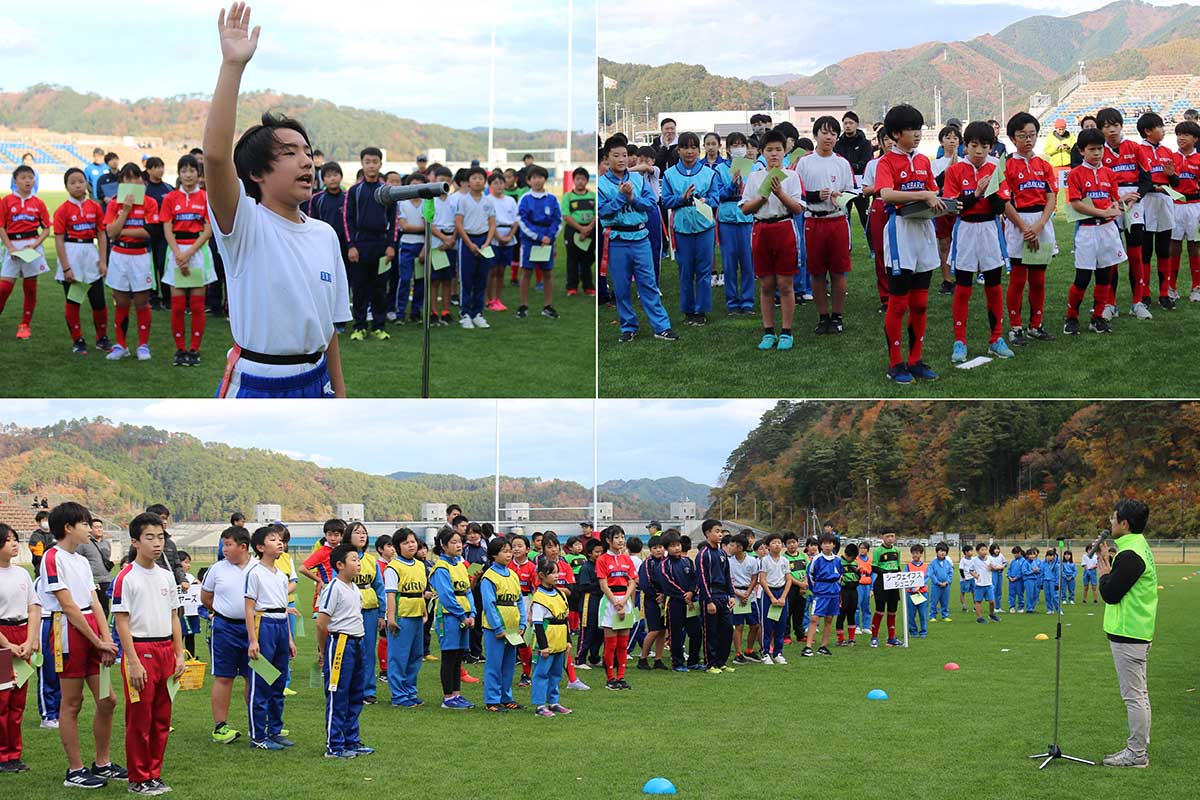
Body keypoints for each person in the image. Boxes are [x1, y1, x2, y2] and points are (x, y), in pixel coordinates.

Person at [204, 3, 350, 397]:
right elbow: (216, 157)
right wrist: (232, 66)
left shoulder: (325, 235)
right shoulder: (245, 224)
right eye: (289, 153)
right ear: (256, 173)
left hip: (316, 379)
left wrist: (340, 393)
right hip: (258, 382)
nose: (306, 161)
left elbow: (329, 329)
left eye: (307, 151)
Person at [39, 502, 124, 789]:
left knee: (107, 699)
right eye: (86, 524)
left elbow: (94, 603)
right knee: (72, 703)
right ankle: (74, 771)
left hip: (91, 633)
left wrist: (106, 639)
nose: (91, 529)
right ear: (68, 527)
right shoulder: (52, 558)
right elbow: (69, 606)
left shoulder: (81, 561)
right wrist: (97, 639)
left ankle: (102, 763)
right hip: (68, 632)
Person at [112, 512, 185, 796]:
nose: (157, 543)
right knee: (139, 720)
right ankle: (138, 778)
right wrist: (131, 661)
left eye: (161, 537)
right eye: (149, 537)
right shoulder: (126, 577)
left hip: (166, 649)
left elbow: (174, 617)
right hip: (140, 652)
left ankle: (154, 774)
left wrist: (179, 655)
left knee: (161, 719)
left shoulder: (167, 576)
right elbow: (121, 622)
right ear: (135, 542)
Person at [876, 105, 943, 383]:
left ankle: (915, 360)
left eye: (920, 128)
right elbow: (886, 193)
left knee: (921, 302)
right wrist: (925, 194)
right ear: (895, 133)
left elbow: (934, 193)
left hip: (924, 231)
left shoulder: (924, 161)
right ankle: (895, 364)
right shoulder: (887, 162)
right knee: (899, 303)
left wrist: (939, 201)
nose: (917, 134)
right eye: (912, 129)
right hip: (900, 232)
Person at [943, 121, 1015, 362]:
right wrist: (976, 193)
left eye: (984, 146)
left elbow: (1001, 205)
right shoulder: (954, 170)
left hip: (990, 229)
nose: (979, 151)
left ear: (991, 147)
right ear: (965, 146)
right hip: (965, 230)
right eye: (974, 145)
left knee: (993, 285)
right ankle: (959, 341)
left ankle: (996, 338)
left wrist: (990, 192)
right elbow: (955, 207)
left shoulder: (997, 168)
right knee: (963, 287)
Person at [1097, 498, 1157, 768]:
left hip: (1130, 633)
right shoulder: (1135, 547)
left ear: (1124, 523)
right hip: (1136, 630)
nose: (1110, 522)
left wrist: (1104, 574)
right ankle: (1138, 749)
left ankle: (1136, 753)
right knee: (1139, 694)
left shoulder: (1131, 554)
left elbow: (1111, 593)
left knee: (1134, 696)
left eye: (1113, 518)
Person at [598, 137, 677, 342]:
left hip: (641, 238)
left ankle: (662, 327)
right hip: (617, 240)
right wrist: (621, 198)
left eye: (624, 155)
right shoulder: (601, 184)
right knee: (622, 287)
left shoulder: (638, 179)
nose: (622, 159)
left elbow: (651, 203)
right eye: (616, 156)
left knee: (648, 284)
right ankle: (628, 327)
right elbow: (603, 212)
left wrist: (633, 198)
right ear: (607, 158)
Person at [739, 129, 806, 351]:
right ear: (761, 152)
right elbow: (746, 209)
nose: (774, 154)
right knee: (766, 284)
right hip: (761, 230)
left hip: (784, 228)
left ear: (785, 151)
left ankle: (786, 331)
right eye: (769, 150)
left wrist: (780, 194)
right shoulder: (755, 177)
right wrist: (762, 197)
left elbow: (797, 208)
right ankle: (768, 331)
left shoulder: (792, 176)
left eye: (778, 149)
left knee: (785, 284)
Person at [796, 116, 856, 334]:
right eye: (824, 132)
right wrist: (814, 196)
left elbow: (853, 191)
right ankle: (822, 316)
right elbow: (798, 193)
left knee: (839, 272)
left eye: (833, 133)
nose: (828, 137)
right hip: (814, 221)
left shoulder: (841, 162)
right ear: (815, 135)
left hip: (837, 220)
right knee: (817, 272)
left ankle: (837, 316)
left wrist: (841, 196)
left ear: (837, 137)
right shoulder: (805, 162)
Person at [1004, 112, 1059, 347]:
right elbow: (1004, 201)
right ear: (1012, 138)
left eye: (1032, 135)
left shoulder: (1044, 165)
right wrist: (1025, 227)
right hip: (1018, 224)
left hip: (1041, 224)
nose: (1028, 140)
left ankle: (1036, 325)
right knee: (1018, 279)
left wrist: (1038, 226)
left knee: (1038, 279)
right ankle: (1015, 327)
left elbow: (1051, 197)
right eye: (1022, 135)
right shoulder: (1006, 165)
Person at [316, 543, 371, 759]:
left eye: (358, 560)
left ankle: (351, 740)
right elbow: (321, 623)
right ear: (340, 564)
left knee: (356, 694)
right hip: (340, 644)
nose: (358, 564)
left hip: (358, 643)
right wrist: (323, 651)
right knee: (338, 695)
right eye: (353, 560)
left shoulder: (355, 589)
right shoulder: (333, 588)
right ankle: (335, 746)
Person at [243, 526, 295, 750]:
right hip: (263, 625)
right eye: (273, 540)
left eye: (280, 539)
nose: (279, 543)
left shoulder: (281, 576)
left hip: (281, 625)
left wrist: (290, 639)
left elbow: (284, 607)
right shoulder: (254, 573)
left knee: (279, 681)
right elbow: (248, 608)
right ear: (261, 547)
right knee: (262, 681)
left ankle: (275, 730)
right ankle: (258, 735)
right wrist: (253, 640)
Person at [159, 154, 214, 367]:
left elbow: (208, 230)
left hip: (198, 252)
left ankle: (195, 349)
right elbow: (167, 227)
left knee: (198, 306)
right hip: (176, 253)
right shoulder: (171, 198)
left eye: (192, 171)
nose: (188, 175)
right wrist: (178, 254)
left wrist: (189, 253)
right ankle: (180, 349)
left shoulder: (206, 198)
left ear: (198, 174)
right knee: (178, 306)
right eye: (184, 171)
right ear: (179, 174)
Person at [662, 132, 721, 325]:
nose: (690, 151)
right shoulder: (669, 175)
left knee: (704, 271)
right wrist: (682, 198)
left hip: (705, 228)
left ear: (698, 150)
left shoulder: (709, 173)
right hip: (682, 229)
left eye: (694, 147)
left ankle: (701, 311)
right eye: (685, 147)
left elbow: (715, 197)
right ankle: (688, 310)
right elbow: (665, 200)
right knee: (685, 270)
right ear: (678, 150)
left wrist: (705, 200)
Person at [200, 526, 252, 745]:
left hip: (254, 630)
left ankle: (257, 723)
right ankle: (220, 726)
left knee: (255, 676)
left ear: (243, 546)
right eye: (223, 544)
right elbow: (206, 598)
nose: (224, 549)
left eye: (228, 544)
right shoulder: (217, 569)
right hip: (224, 629)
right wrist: (223, 612)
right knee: (224, 676)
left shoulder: (258, 568)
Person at [101, 162, 158, 361]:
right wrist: (125, 211)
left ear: (142, 180)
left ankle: (143, 345)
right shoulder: (114, 203)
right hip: (119, 256)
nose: (132, 182)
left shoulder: (150, 203)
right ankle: (121, 345)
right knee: (121, 301)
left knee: (142, 302)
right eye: (127, 178)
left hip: (140, 256)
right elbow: (109, 232)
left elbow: (149, 233)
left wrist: (120, 231)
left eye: (136, 178)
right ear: (121, 181)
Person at [53, 168, 111, 355]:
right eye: (73, 182)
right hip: (72, 255)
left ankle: (102, 338)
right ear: (66, 187)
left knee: (99, 301)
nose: (78, 185)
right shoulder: (62, 210)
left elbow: (102, 235)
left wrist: (103, 260)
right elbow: (59, 240)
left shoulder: (95, 207)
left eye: (81, 181)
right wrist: (66, 267)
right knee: (74, 301)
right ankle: (77, 340)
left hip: (90, 255)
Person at [1098, 107, 1148, 320]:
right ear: (1101, 130)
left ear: (1121, 126)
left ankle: (1137, 302)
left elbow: (1146, 178)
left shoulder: (1135, 148)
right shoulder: (1099, 151)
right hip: (1111, 204)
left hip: (1134, 202)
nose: (1112, 130)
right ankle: (1111, 304)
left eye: (1115, 125)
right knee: (1112, 254)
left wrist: (1137, 196)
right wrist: (1116, 201)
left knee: (1135, 254)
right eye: (1107, 127)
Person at [0, 523, 40, 774]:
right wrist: (8, 645)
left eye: (15, 539)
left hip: (22, 635)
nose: (14, 543)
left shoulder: (23, 574)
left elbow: (33, 608)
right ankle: (3, 755)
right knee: (2, 701)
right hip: (3, 639)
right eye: (8, 540)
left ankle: (14, 754)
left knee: (18, 701)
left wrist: (30, 639)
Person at [0, 164, 51, 340]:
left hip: (31, 246)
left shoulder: (39, 203)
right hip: (12, 245)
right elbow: (1, 227)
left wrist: (35, 245)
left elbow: (46, 230)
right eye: (24, 178)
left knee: (30, 288)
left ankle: (24, 325)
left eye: (30, 177)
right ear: (15, 181)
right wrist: (10, 247)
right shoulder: (6, 201)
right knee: (4, 287)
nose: (28, 181)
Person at [1135, 113, 1179, 311]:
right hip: (1146, 201)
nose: (1163, 130)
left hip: (1165, 202)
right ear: (1147, 131)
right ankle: (1144, 294)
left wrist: (1171, 176)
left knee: (1163, 248)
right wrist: (1153, 188)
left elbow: (1176, 183)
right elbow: (1138, 179)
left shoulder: (1168, 151)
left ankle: (1164, 293)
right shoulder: (1138, 150)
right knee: (1145, 250)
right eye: (1159, 126)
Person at [429, 528, 475, 709]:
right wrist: (462, 615)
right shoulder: (441, 567)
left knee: (458, 656)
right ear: (443, 545)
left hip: (463, 615)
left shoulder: (460, 565)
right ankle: (448, 697)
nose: (458, 545)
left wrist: (472, 613)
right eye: (454, 542)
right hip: (448, 616)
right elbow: (447, 596)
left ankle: (457, 694)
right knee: (449, 655)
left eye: (459, 542)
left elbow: (468, 590)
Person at [478, 538, 525, 712]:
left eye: (509, 550)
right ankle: (492, 700)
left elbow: (519, 600)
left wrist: (521, 623)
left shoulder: (512, 574)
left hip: (513, 628)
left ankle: (506, 697)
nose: (508, 554)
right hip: (495, 629)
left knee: (508, 664)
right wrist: (498, 627)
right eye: (504, 551)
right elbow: (489, 605)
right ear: (493, 554)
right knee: (494, 664)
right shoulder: (489, 577)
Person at [384, 529, 427, 707]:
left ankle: (410, 692)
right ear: (397, 547)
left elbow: (421, 592)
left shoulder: (419, 565)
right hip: (402, 617)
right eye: (406, 543)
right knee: (399, 657)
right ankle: (399, 696)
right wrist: (391, 618)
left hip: (417, 616)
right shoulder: (393, 567)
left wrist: (424, 613)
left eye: (413, 541)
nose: (411, 545)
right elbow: (391, 594)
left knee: (415, 656)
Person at [516, 165, 562, 319]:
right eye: (533, 177)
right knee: (527, 273)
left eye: (540, 177)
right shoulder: (525, 199)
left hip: (547, 241)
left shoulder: (552, 199)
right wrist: (538, 237)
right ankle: (523, 306)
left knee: (547, 273)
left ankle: (548, 306)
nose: (537, 180)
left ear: (545, 179)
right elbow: (522, 221)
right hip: (530, 242)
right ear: (529, 181)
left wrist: (549, 237)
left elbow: (558, 220)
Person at [454, 166, 497, 329]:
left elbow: (492, 224)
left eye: (480, 178)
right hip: (467, 241)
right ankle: (465, 313)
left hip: (484, 241)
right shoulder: (463, 200)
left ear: (485, 182)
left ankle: (477, 313)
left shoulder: (488, 201)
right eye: (474, 178)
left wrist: (487, 242)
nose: (477, 181)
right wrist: (469, 243)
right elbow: (459, 223)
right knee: (466, 279)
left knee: (481, 278)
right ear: (468, 182)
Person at [344, 523, 382, 705]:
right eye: (357, 532)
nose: (362, 536)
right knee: (349, 650)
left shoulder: (371, 560)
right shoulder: (341, 558)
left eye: (364, 533)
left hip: (370, 609)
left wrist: (382, 613)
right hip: (348, 611)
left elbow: (379, 587)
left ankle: (368, 690)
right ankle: (349, 688)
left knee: (368, 651)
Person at [529, 559, 573, 717]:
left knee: (556, 673)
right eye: (552, 573)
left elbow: (564, 618)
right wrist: (543, 646)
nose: (556, 576)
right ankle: (540, 705)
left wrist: (568, 640)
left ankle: (553, 702)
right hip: (547, 638)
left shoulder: (560, 593)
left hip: (560, 637)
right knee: (542, 673)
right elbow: (538, 624)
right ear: (542, 575)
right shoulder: (539, 597)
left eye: (557, 572)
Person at [595, 526, 636, 690]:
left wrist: (625, 600)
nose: (620, 540)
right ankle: (610, 678)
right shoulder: (602, 559)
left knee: (623, 643)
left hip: (624, 601)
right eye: (617, 537)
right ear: (608, 540)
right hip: (609, 603)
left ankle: (621, 677)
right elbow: (603, 584)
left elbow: (632, 580)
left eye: (622, 537)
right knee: (611, 643)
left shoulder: (627, 560)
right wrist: (615, 602)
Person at [656, 529, 703, 672]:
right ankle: (678, 663)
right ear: (666, 548)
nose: (676, 548)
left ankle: (694, 661)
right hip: (675, 603)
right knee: (676, 633)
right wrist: (684, 595)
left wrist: (691, 592)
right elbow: (667, 584)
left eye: (678, 545)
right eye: (672, 546)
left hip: (691, 603)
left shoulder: (687, 561)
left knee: (696, 632)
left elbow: (695, 578)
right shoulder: (664, 565)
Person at [695, 520, 734, 673]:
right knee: (711, 631)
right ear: (707, 533)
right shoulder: (703, 554)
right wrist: (708, 600)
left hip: (723, 596)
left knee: (727, 629)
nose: (720, 534)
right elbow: (702, 579)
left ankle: (721, 661)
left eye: (721, 531)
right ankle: (710, 663)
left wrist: (731, 595)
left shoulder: (722, 553)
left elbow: (727, 575)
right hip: (710, 596)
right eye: (717, 531)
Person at [1168, 120, 1200, 303]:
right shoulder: (1171, 158)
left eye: (1186, 134)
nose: (1181, 138)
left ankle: (1196, 286)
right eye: (1179, 134)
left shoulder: (1199, 159)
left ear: (1195, 139)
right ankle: (1172, 286)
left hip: (1195, 206)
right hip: (1175, 206)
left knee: (1195, 245)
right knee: (1174, 245)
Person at [931, 125, 962, 294]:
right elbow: (935, 186)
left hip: (960, 207)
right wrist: (949, 167)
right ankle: (947, 279)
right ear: (942, 142)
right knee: (944, 242)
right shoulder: (935, 164)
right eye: (948, 137)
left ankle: (961, 276)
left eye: (955, 138)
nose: (952, 141)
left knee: (961, 242)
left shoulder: (966, 162)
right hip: (943, 207)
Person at [835, 111, 873, 240]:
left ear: (856, 124)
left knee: (865, 216)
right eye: (845, 123)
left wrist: (850, 166)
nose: (848, 126)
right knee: (845, 216)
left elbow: (866, 162)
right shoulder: (838, 143)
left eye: (850, 123)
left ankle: (873, 247)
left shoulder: (865, 143)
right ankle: (846, 245)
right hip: (842, 184)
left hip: (860, 184)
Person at [802, 532, 841, 656]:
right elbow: (811, 575)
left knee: (829, 619)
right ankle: (808, 646)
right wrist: (816, 589)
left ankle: (823, 646)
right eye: (825, 543)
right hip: (820, 592)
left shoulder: (837, 560)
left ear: (833, 545)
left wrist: (836, 587)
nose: (827, 546)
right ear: (821, 545)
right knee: (814, 618)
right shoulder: (817, 559)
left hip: (834, 592)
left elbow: (840, 575)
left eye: (830, 543)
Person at [635, 535, 668, 671]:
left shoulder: (666, 562)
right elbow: (645, 583)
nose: (658, 550)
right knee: (653, 630)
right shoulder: (647, 564)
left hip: (665, 600)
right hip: (652, 601)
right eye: (655, 548)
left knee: (662, 631)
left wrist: (665, 594)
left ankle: (658, 659)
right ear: (650, 550)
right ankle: (643, 658)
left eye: (660, 547)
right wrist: (657, 595)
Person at [562, 167, 596, 297]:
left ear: (587, 180)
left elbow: (596, 214)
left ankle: (588, 286)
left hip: (590, 230)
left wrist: (588, 228)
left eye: (583, 179)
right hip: (573, 230)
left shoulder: (592, 196)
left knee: (588, 259)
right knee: (572, 260)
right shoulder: (568, 196)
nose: (580, 182)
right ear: (573, 180)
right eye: (578, 179)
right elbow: (566, 215)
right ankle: (571, 287)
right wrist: (581, 229)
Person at [574, 537, 605, 669]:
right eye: (596, 552)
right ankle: (580, 659)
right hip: (589, 601)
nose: (599, 555)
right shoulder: (586, 567)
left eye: (601, 552)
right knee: (587, 630)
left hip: (600, 601)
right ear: (589, 553)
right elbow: (584, 586)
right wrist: (601, 585)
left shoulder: (601, 566)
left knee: (599, 631)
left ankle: (594, 658)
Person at [868, 527, 902, 647]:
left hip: (894, 584)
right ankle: (874, 637)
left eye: (892, 536)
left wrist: (900, 577)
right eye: (887, 536)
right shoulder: (878, 551)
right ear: (882, 537)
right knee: (879, 611)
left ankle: (891, 638)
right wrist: (886, 574)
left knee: (892, 612)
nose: (890, 538)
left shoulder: (897, 550)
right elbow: (874, 567)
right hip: (882, 583)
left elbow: (898, 567)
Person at [76, 518, 113, 617]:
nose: (99, 529)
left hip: (105, 579)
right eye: (96, 527)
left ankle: (103, 629)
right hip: (92, 581)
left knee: (105, 607)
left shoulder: (107, 543)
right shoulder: (84, 544)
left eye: (100, 527)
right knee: (93, 607)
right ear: (90, 529)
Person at [834, 541, 859, 647]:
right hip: (843, 591)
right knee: (841, 614)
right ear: (847, 555)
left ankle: (852, 639)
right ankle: (840, 640)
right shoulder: (838, 562)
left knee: (852, 613)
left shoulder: (855, 563)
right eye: (852, 558)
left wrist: (858, 576)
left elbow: (858, 576)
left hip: (854, 590)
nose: (853, 560)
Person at [969, 542, 1000, 623]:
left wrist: (992, 567)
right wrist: (975, 576)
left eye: (985, 549)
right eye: (982, 550)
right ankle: (979, 618)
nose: (984, 551)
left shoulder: (990, 559)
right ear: (978, 551)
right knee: (978, 601)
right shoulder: (974, 560)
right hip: (979, 585)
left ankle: (992, 615)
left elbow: (995, 568)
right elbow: (971, 570)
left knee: (992, 601)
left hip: (989, 584)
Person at [179, 551, 202, 656]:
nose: (189, 565)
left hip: (191, 612)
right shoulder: (173, 577)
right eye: (186, 562)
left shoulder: (190, 576)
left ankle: (191, 657)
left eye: (189, 563)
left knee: (191, 635)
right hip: (180, 613)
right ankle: (176, 657)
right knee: (179, 635)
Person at [904, 544, 929, 638]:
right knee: (911, 614)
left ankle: (923, 632)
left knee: (923, 614)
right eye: (913, 553)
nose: (915, 555)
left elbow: (927, 577)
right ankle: (913, 632)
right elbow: (906, 578)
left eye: (917, 553)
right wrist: (912, 588)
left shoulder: (926, 566)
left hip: (923, 593)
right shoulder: (908, 566)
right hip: (911, 593)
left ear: (921, 554)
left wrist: (919, 586)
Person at [1043, 118, 1075, 188]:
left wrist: (1068, 148)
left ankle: (1068, 199)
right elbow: (1046, 151)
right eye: (1059, 129)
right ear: (1056, 128)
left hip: (1067, 166)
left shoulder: (1071, 136)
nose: (1061, 131)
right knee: (1055, 188)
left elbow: (1075, 150)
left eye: (1063, 129)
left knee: (1068, 188)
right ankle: (1054, 199)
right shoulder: (1050, 137)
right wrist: (1055, 149)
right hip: (1055, 167)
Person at [926, 542, 953, 621]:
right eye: (941, 551)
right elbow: (931, 574)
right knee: (934, 601)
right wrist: (938, 582)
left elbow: (950, 573)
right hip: (936, 586)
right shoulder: (932, 563)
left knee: (945, 601)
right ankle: (932, 616)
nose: (943, 553)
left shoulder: (948, 563)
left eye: (944, 551)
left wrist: (947, 582)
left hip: (946, 586)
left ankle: (945, 615)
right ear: (937, 552)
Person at [855, 540, 873, 632]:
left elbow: (873, 574)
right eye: (861, 548)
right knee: (857, 605)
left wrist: (872, 588)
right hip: (859, 584)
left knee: (866, 606)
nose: (862, 550)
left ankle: (866, 626)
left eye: (864, 548)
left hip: (867, 584)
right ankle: (856, 626)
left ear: (868, 550)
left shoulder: (870, 560)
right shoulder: (856, 559)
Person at [1041, 547, 1061, 615]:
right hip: (1045, 581)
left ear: (1054, 556)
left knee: (1054, 596)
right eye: (1048, 556)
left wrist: (1057, 584)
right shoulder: (1044, 564)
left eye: (1051, 556)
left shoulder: (1056, 565)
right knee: (1047, 596)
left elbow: (1057, 575)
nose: (1049, 557)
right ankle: (1050, 609)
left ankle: (1058, 609)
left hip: (1052, 581)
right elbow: (1042, 573)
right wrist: (1041, 583)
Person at [1022, 546, 1042, 613]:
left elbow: (1039, 569)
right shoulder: (1025, 562)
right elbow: (1024, 572)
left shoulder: (1035, 562)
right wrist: (1033, 571)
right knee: (1030, 594)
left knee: (1036, 594)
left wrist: (1037, 570)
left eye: (1034, 554)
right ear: (1027, 555)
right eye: (1030, 554)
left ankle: (1032, 607)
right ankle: (1029, 608)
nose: (1032, 556)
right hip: (1028, 580)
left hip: (1036, 579)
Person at [1007, 546, 1026, 613]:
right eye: (1014, 554)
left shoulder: (1024, 561)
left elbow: (1022, 571)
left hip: (1019, 581)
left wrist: (1016, 577)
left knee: (1020, 593)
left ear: (1020, 553)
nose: (1015, 555)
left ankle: (1020, 607)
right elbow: (1009, 570)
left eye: (1016, 553)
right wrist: (1009, 576)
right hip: (1011, 580)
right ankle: (1012, 607)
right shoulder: (1013, 561)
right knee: (1011, 594)